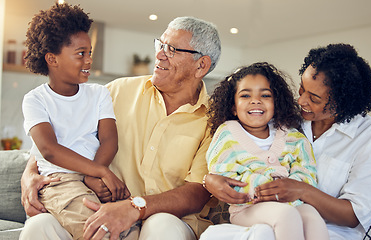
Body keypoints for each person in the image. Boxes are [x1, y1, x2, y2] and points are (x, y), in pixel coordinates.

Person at [20, 16, 222, 240]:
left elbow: (197, 192)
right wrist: (29, 174)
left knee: (159, 225)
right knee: (38, 226)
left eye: (172, 49)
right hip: (102, 207)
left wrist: (134, 208)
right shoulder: (116, 91)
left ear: (201, 65)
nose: (159, 54)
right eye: (160, 44)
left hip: (170, 220)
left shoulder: (214, 120)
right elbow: (60, 139)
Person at [201, 43, 371, 240]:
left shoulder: (368, 136)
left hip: (332, 231)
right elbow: (225, 162)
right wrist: (209, 180)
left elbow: (352, 216)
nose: (301, 101)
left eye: (314, 98)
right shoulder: (286, 120)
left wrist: (301, 189)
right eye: (301, 89)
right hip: (262, 213)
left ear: (342, 104)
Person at [20, 3, 130, 240]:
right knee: (103, 231)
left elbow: (109, 140)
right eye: (81, 54)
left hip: (92, 178)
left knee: (130, 229)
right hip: (59, 183)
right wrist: (100, 171)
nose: (89, 60)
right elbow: (49, 150)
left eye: (90, 52)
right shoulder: (35, 100)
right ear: (52, 59)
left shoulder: (99, 93)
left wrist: (93, 176)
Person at [205, 62, 328, 240]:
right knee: (286, 215)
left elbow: (307, 170)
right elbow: (223, 172)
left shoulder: (294, 137)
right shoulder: (227, 135)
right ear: (233, 106)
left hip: (293, 202)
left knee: (313, 217)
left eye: (265, 95)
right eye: (245, 95)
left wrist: (291, 187)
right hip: (247, 208)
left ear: (276, 103)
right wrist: (268, 188)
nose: (255, 100)